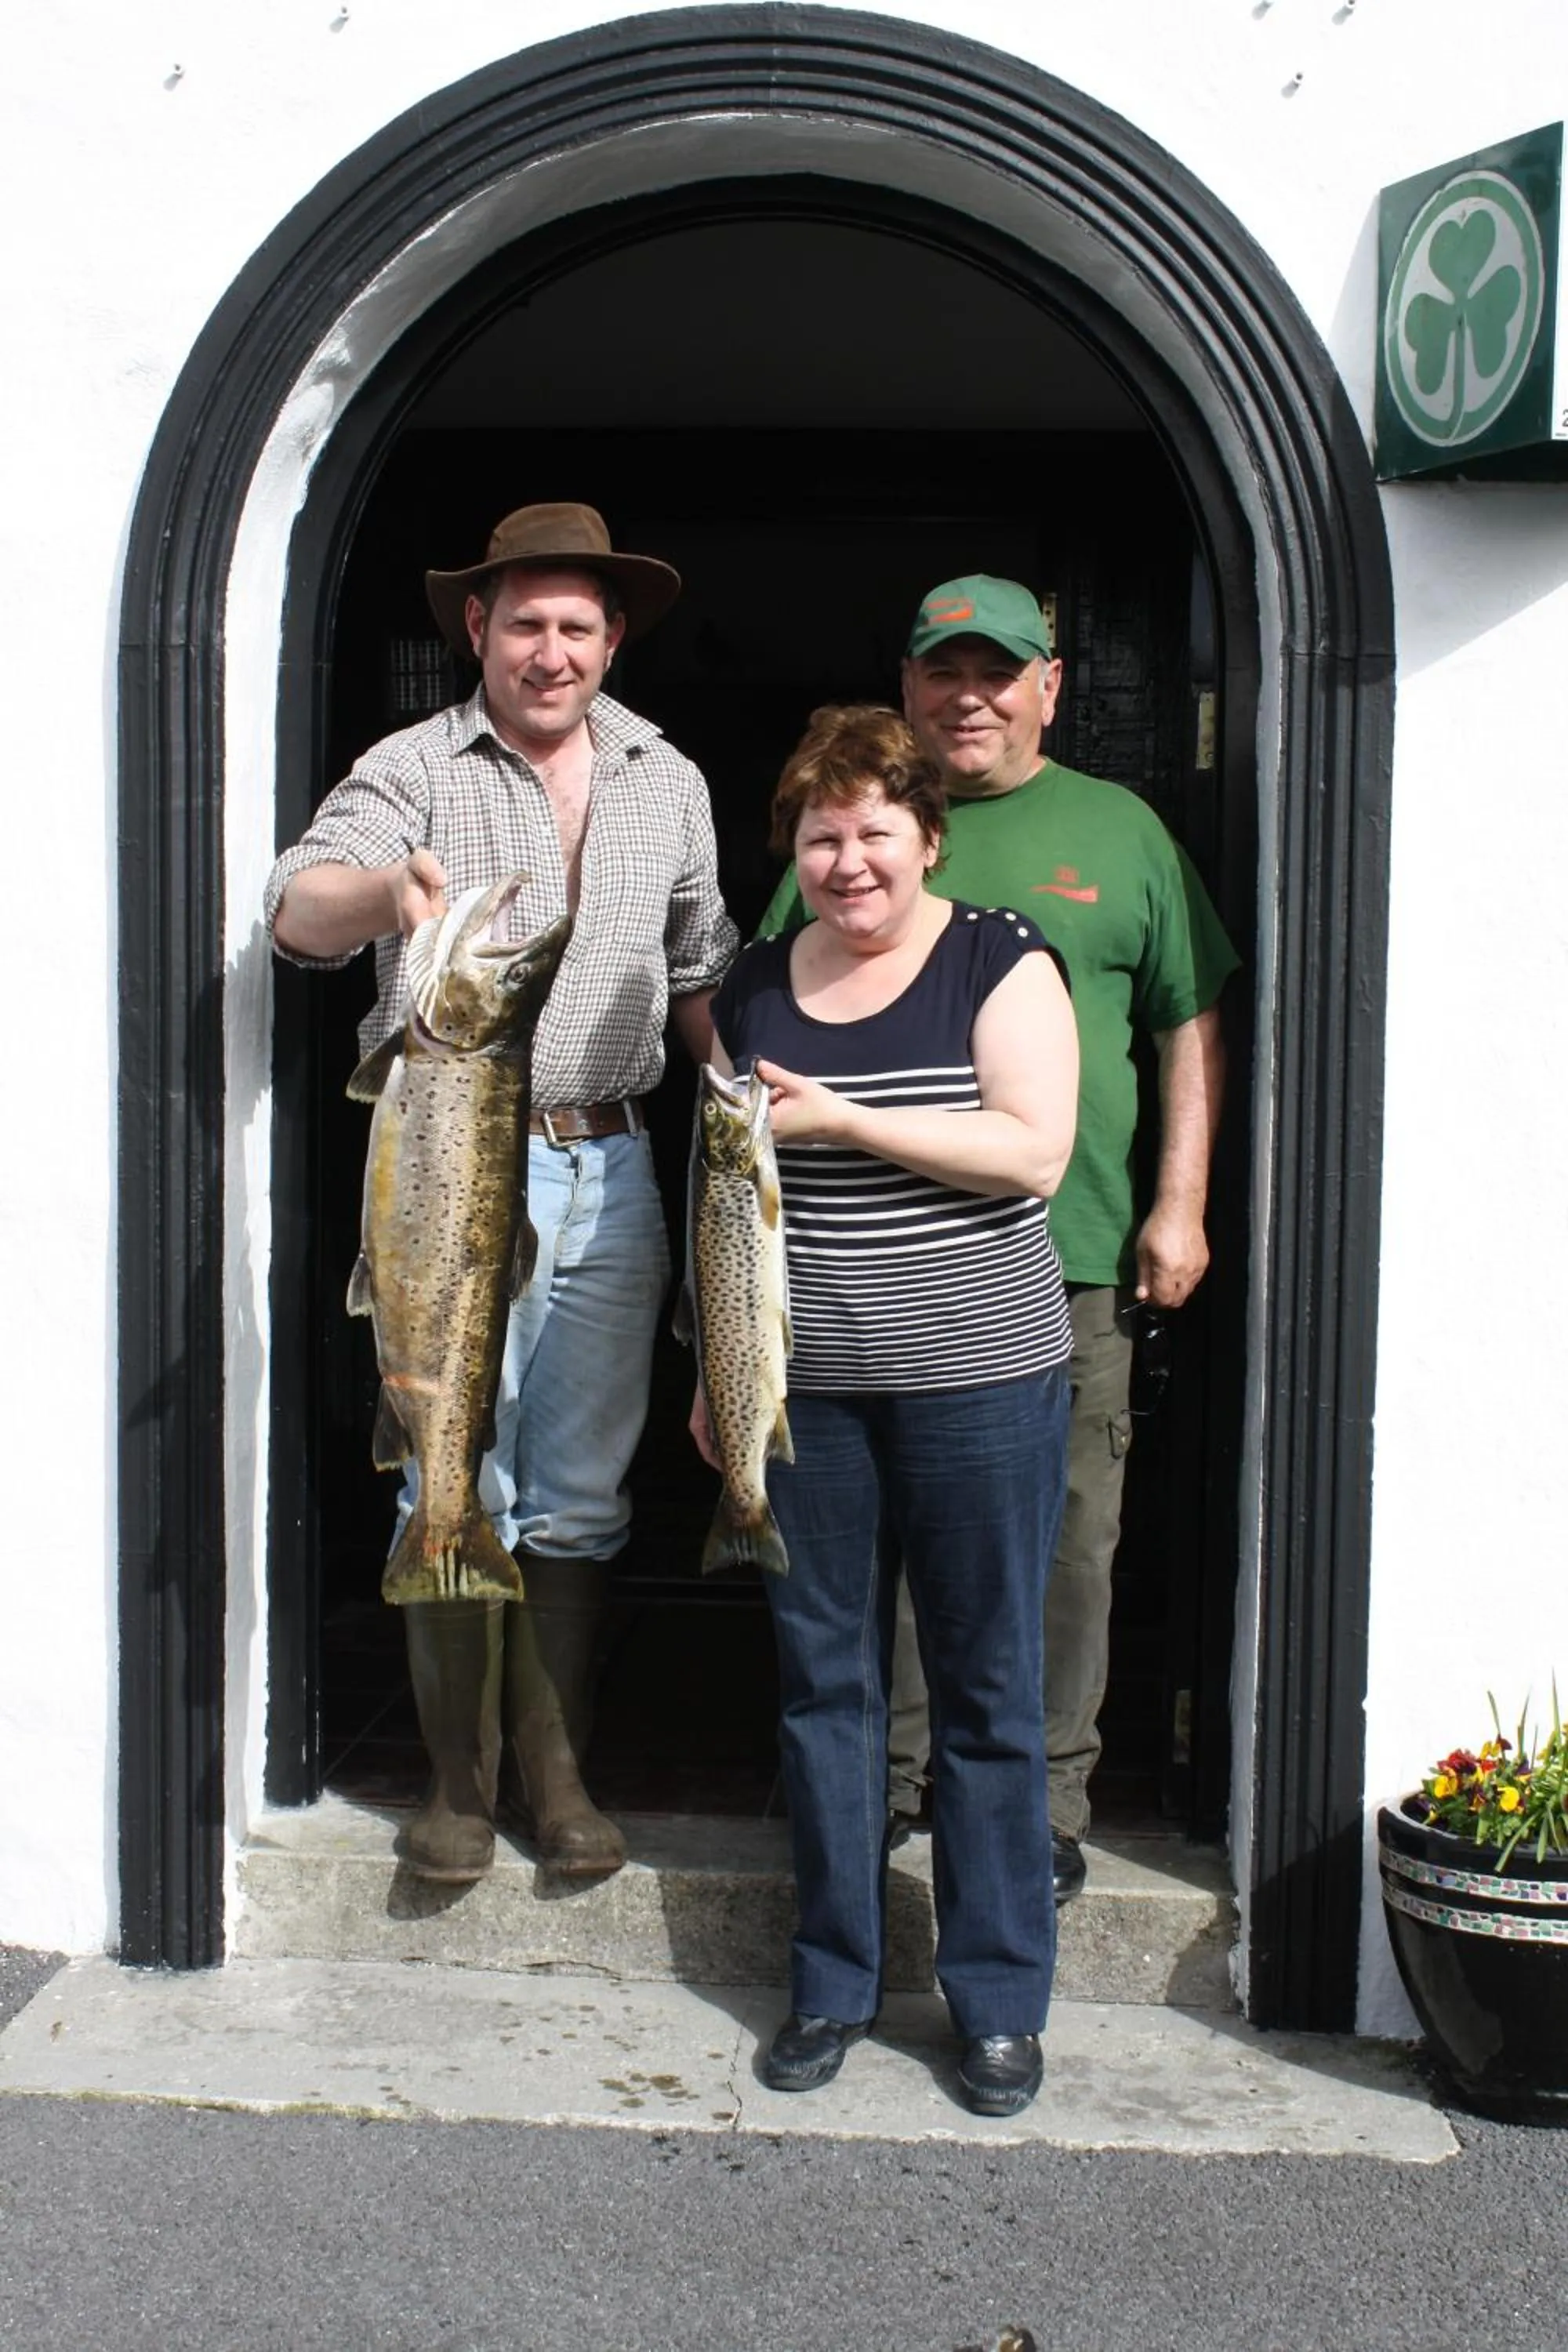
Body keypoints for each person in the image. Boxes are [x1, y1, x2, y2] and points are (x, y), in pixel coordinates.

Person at [266, 500, 738, 1886]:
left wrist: (750, 1101)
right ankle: (456, 1788)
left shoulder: (668, 777)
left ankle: (557, 1774)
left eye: (576, 626)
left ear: (614, 638)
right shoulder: (412, 765)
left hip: (618, 1162)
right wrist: (387, 899)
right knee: (448, 1457)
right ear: (477, 627)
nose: (550, 651)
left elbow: (699, 971)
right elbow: (296, 912)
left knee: (580, 1486)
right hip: (457, 1156)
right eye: (525, 623)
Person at [757, 577, 1239, 1902]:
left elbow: (1187, 1021)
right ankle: (891, 1788)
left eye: (998, 671)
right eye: (943, 671)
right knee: (888, 1549)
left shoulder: (1122, 831)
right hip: (865, 1273)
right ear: (908, 685)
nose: (969, 696)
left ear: (1049, 685)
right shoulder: (849, 833)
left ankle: (1046, 1802)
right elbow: (759, 1010)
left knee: (1067, 1544)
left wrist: (1180, 1201)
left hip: (1070, 1250)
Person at [693, 704, 1079, 2117]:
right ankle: (834, 1983)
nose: (849, 863)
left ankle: (998, 2002)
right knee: (826, 1693)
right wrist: (716, 1371)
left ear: (928, 837)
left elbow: (1032, 1154)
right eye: (821, 837)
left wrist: (848, 1119)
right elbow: (723, 1193)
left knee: (986, 1694)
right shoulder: (752, 986)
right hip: (807, 1400)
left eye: (874, 833)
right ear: (792, 850)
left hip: (983, 1386)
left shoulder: (999, 957)